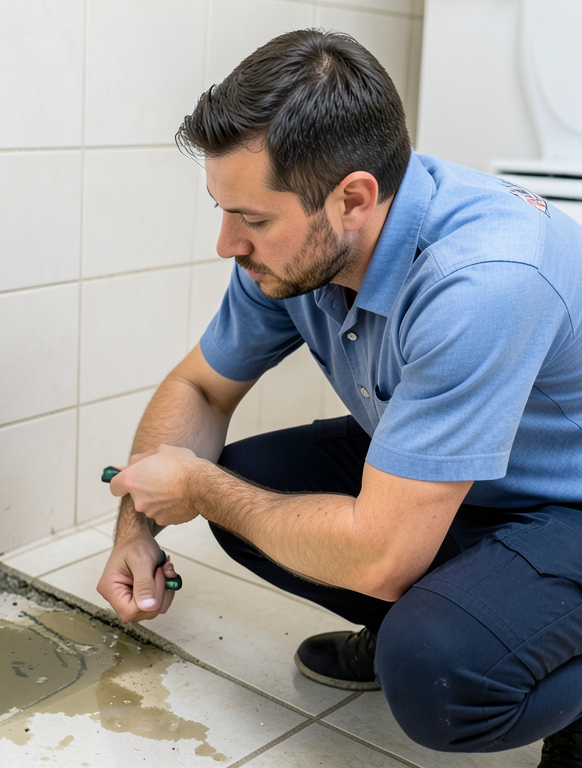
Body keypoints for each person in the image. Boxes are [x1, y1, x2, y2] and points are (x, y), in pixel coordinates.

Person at [96, 28, 582, 765]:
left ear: (352, 198)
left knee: (441, 674)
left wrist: (198, 486)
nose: (227, 244)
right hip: (474, 474)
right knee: (249, 486)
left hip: (567, 501)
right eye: (223, 211)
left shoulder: (481, 279)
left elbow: (384, 555)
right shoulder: (297, 254)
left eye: (252, 220)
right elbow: (200, 385)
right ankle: (423, 615)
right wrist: (137, 527)